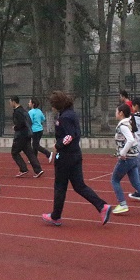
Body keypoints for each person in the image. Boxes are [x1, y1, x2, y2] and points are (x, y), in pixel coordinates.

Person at [41, 91, 111, 226]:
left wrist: (58, 145)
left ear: (57, 104)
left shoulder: (64, 118)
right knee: (79, 186)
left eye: (53, 104)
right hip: (75, 154)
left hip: (65, 157)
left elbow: (69, 136)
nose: (52, 107)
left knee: (60, 186)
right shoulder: (71, 114)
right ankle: (102, 206)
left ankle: (55, 216)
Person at [110, 104, 140, 216]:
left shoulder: (123, 125)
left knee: (115, 180)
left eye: (116, 111)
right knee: (136, 183)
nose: (115, 113)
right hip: (134, 157)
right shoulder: (130, 122)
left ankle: (122, 204)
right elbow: (134, 139)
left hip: (127, 158)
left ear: (121, 113)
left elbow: (131, 140)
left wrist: (122, 152)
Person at [10, 96, 43, 177]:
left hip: (20, 135)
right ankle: (38, 170)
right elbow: (29, 121)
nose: (10, 104)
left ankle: (23, 168)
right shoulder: (24, 110)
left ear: (14, 102)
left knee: (14, 152)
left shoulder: (17, 112)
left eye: (10, 102)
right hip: (27, 134)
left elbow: (21, 123)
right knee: (29, 152)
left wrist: (15, 127)